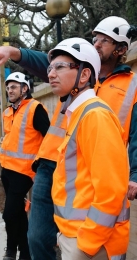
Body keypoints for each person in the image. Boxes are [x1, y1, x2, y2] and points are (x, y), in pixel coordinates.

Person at [0, 16, 137, 259]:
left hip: (88, 171)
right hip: (53, 162)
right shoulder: (74, 74)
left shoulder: (128, 88)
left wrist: (134, 174)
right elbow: (49, 62)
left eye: (104, 41)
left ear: (121, 49)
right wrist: (14, 52)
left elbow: (133, 140)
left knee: (81, 232)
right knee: (39, 237)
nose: (96, 44)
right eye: (95, 39)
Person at [49, 37, 130, 260]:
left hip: (90, 243)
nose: (51, 74)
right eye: (50, 67)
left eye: (60, 66)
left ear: (84, 75)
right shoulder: (78, 114)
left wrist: (86, 245)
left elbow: (111, 190)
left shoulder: (95, 116)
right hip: (76, 236)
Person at [0, 72, 50, 260]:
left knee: (9, 214)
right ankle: (25, 253)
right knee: (18, 213)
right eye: (8, 87)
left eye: (13, 87)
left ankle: (12, 249)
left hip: (24, 171)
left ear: (24, 88)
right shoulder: (8, 111)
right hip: (7, 169)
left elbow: (49, 138)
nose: (9, 90)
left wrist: (39, 161)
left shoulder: (35, 108)